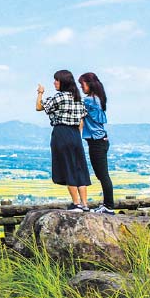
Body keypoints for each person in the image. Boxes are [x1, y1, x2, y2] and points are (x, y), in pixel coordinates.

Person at [36, 69, 91, 211]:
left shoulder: (59, 97)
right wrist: (76, 134)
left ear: (63, 82)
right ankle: (85, 204)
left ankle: (76, 203)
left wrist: (40, 93)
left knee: (68, 167)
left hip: (61, 132)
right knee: (79, 168)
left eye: (57, 80)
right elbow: (81, 120)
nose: (54, 82)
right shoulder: (78, 98)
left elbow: (39, 107)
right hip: (75, 134)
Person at [79, 72, 115, 214]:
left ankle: (109, 206)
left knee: (103, 175)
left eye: (83, 85)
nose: (81, 88)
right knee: (102, 174)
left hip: (96, 142)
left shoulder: (89, 101)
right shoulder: (98, 99)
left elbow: (76, 104)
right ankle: (107, 204)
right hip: (100, 140)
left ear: (89, 84)